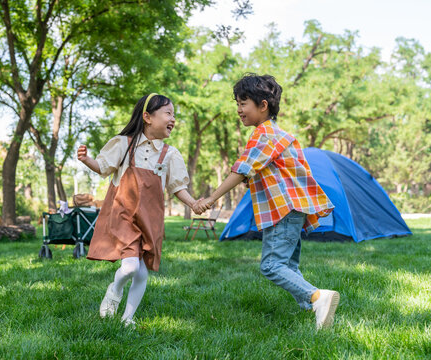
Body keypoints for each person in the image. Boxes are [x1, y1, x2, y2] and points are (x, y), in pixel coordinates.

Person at [194, 74, 339, 330]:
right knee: (288, 265)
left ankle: (318, 297)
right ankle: (311, 308)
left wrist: (211, 199)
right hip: (293, 209)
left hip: (283, 211)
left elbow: (241, 171)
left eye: (243, 103)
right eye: (237, 104)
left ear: (263, 106)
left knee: (271, 265)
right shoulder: (276, 134)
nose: (239, 110)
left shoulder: (265, 135)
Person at [78, 93, 198, 326]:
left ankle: (127, 319)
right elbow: (103, 167)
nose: (173, 119)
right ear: (147, 117)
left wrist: (193, 203)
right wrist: (87, 160)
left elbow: (178, 187)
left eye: (174, 115)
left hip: (149, 220)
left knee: (142, 273)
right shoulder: (125, 144)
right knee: (131, 266)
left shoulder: (169, 154)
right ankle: (114, 291)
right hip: (123, 214)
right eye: (168, 113)